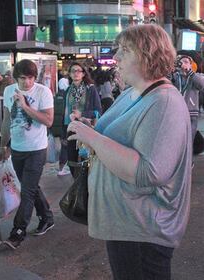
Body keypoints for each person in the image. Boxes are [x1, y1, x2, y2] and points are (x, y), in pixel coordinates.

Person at [67, 24, 191, 280]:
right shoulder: (132, 94)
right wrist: (89, 129)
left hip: (142, 230)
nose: (116, 57)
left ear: (148, 55)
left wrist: (93, 138)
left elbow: (148, 171)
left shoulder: (164, 101)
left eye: (125, 50)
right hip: (124, 223)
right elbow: (115, 134)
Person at [0, 59, 55, 249]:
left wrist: (25, 106)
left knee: (27, 191)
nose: (27, 82)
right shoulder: (8, 91)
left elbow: (48, 121)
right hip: (17, 148)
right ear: (16, 78)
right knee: (30, 186)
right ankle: (47, 217)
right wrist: (3, 145)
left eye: (31, 78)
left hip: (37, 149)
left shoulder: (43, 92)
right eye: (23, 78)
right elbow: (7, 120)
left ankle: (18, 232)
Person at [57, 62, 101, 177]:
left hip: (86, 127)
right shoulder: (67, 91)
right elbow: (64, 113)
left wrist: (81, 114)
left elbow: (98, 111)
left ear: (83, 74)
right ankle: (76, 182)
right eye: (73, 71)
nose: (76, 73)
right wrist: (63, 133)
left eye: (78, 71)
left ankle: (86, 186)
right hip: (70, 128)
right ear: (70, 74)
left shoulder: (90, 89)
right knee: (71, 159)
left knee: (86, 159)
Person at [169, 54, 204, 141]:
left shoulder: (197, 76)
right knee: (177, 138)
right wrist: (170, 71)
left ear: (191, 65)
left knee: (189, 139)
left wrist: (190, 72)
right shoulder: (176, 77)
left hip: (191, 112)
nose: (183, 64)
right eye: (181, 62)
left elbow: (201, 85)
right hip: (177, 112)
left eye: (186, 62)